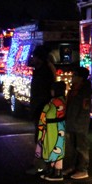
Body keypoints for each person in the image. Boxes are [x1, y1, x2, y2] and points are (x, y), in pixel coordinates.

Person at [25, 45, 56, 175]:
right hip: (39, 107)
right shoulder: (41, 69)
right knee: (40, 137)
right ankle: (40, 162)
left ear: (40, 58)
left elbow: (47, 91)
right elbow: (28, 63)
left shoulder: (45, 71)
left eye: (34, 56)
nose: (32, 59)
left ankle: (41, 165)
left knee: (41, 138)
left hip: (42, 107)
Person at [65, 66, 92, 179]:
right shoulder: (74, 89)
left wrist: (77, 121)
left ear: (81, 78)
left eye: (75, 75)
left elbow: (84, 109)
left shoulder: (84, 90)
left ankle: (82, 169)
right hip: (72, 122)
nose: (72, 77)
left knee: (81, 146)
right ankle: (74, 167)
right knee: (73, 146)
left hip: (80, 123)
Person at [38, 81, 68, 181]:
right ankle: (53, 170)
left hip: (54, 128)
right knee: (54, 148)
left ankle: (57, 173)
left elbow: (48, 112)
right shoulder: (61, 100)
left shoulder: (56, 102)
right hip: (55, 127)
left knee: (54, 148)